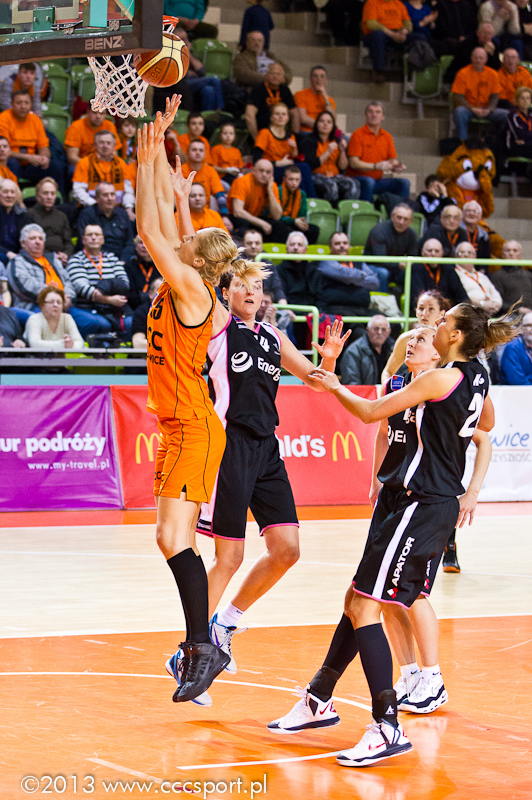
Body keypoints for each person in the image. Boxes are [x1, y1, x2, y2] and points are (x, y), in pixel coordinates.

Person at [269, 302, 518, 767]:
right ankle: (319, 697)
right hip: (415, 501)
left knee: (372, 604)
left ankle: (387, 725)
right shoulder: (476, 378)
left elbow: (369, 413)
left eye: (443, 323)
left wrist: (334, 384)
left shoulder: (440, 379)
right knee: (357, 598)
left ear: (456, 337)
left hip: (424, 504)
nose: (434, 326)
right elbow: (482, 424)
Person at [136, 97, 263, 703]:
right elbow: (161, 221)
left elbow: (148, 230)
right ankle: (199, 645)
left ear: (198, 261)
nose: (180, 240)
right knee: (169, 540)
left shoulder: (193, 291)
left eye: (189, 240)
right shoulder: (186, 277)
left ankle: (200, 646)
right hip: (178, 425)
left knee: (175, 539)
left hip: (193, 426)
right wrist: (156, 152)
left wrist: (146, 154)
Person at [198, 277, 350, 690]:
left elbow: (316, 381)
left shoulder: (273, 336)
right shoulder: (219, 325)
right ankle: (193, 647)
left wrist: (328, 360)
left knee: (287, 549)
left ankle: (224, 623)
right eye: (242, 285)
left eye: (258, 286)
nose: (252, 293)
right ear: (225, 293)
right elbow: (196, 281)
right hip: (229, 446)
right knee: (228, 558)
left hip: (266, 448)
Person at [373, 327, 492, 712]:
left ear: (439, 354)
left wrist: (472, 492)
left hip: (426, 500)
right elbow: (381, 431)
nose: (412, 343)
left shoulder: (447, 391)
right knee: (383, 593)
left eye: (421, 340)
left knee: (413, 593)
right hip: (393, 495)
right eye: (409, 339)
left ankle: (432, 677)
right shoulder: (396, 384)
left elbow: (485, 435)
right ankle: (410, 676)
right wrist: (375, 480)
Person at [66, 224, 132, 337]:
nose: (93, 237)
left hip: (114, 308)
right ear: (83, 240)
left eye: (97, 234)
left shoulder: (112, 258)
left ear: (102, 239)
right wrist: (109, 299)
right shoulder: (76, 260)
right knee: (102, 324)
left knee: (131, 322)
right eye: (89, 235)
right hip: (87, 307)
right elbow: (83, 288)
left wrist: (105, 291)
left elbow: (124, 283)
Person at [0, 90, 64, 193]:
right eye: (19, 103)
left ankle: (56, 198)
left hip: (31, 164)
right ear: (12, 104)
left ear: (31, 105)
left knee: (56, 166)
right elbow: (3, 150)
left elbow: (44, 147)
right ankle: (12, 197)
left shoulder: (36, 120)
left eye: (26, 103)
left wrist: (44, 158)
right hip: (11, 161)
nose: (23, 106)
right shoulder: (3, 119)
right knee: (12, 163)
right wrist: (28, 157)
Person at [346, 103, 410, 203]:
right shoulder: (357, 134)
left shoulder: (387, 136)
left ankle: (401, 211)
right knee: (369, 181)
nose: (374, 115)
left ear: (382, 116)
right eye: (370, 112)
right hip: (357, 180)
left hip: (377, 181)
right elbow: (353, 163)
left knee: (404, 183)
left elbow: (392, 160)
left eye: (377, 112)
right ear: (366, 115)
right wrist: (375, 166)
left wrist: (396, 166)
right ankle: (367, 210)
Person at [382, 289, 449, 381]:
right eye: (421, 308)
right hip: (415, 387)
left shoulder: (449, 340)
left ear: (442, 313)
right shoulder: (406, 339)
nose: (424, 313)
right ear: (416, 312)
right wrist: (387, 388)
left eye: (431, 309)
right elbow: (388, 371)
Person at [7, 223, 75, 312]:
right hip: (34, 306)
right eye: (32, 238)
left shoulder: (54, 260)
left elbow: (68, 282)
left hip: (63, 305)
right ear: (23, 243)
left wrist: (68, 297)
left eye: (40, 239)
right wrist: (53, 296)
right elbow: (24, 288)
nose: (37, 242)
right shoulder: (17, 262)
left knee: (91, 320)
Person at [253, 102, 315, 197]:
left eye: (283, 114)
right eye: (277, 114)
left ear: (288, 118)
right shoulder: (265, 133)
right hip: (269, 170)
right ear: (271, 117)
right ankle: (309, 199)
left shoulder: (290, 136)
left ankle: (309, 199)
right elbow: (256, 161)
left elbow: (294, 160)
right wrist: (279, 163)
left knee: (303, 167)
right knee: (299, 170)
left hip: (287, 169)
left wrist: (294, 149)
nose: (280, 117)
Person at [300, 110, 359, 206]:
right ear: (317, 124)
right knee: (331, 186)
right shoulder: (308, 140)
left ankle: (345, 210)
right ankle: (330, 211)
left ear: (333, 126)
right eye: (322, 121)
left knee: (354, 184)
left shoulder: (336, 141)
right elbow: (311, 164)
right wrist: (328, 152)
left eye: (329, 122)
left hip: (333, 175)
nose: (325, 124)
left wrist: (342, 151)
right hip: (316, 175)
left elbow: (343, 166)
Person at [72, 130, 135, 218]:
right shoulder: (84, 163)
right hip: (91, 208)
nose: (105, 146)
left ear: (114, 146)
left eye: (108, 143)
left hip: (118, 209)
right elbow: (78, 191)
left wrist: (128, 208)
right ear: (95, 145)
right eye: (101, 143)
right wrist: (97, 206)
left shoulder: (122, 164)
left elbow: (128, 191)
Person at [315, 230, 379, 315]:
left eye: (345, 243)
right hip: (336, 308)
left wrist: (353, 277)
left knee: (386, 320)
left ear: (349, 245)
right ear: (330, 247)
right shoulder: (326, 262)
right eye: (337, 243)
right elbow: (345, 275)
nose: (342, 246)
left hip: (360, 307)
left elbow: (375, 283)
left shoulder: (358, 261)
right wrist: (363, 275)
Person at [451, 48, 507, 141]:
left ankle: (498, 143)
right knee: (459, 112)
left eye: (481, 58)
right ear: (471, 58)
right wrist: (472, 108)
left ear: (486, 60)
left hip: (486, 109)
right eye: (476, 58)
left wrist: (490, 109)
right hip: (469, 109)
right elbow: (458, 97)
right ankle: (462, 143)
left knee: (506, 115)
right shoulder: (462, 73)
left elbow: (495, 96)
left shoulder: (493, 74)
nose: (478, 60)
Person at [227, 159, 289, 241]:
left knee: (281, 227)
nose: (264, 175)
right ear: (253, 171)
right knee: (244, 224)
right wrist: (262, 223)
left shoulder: (272, 186)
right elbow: (238, 212)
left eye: (268, 172)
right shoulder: (242, 182)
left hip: (255, 218)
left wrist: (270, 191)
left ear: (272, 175)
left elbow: (277, 216)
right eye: (261, 171)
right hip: (236, 218)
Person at [364, 202, 418, 289]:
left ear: (411, 221)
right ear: (392, 216)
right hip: (373, 266)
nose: (401, 222)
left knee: (416, 272)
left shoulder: (412, 234)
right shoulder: (379, 231)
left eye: (406, 219)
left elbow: (413, 256)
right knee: (383, 273)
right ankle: (381, 298)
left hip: (396, 268)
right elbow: (380, 259)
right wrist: (398, 264)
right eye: (399, 218)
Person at [77, 182, 135, 262]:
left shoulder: (123, 214)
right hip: (96, 259)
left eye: (112, 194)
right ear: (96, 198)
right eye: (105, 195)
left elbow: (129, 243)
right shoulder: (87, 215)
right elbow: (84, 241)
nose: (110, 198)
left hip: (122, 260)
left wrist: (123, 261)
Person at [182, 139, 231, 228]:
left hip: (206, 212)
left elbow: (220, 196)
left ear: (205, 154)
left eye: (201, 150)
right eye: (194, 150)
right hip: (184, 212)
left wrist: (225, 217)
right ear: (187, 153)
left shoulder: (210, 171)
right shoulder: (180, 171)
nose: (198, 153)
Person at [362, 0, 413, 83]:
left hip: (397, 32)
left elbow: (408, 24)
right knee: (378, 35)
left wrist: (403, 32)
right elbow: (371, 23)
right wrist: (392, 34)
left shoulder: (398, 3)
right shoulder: (372, 3)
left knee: (418, 37)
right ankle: (378, 71)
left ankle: (412, 70)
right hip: (378, 33)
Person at [245, 62, 299, 142]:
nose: (275, 76)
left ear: (283, 77)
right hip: (263, 131)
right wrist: (257, 139)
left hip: (282, 132)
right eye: (272, 73)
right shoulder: (258, 90)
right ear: (266, 75)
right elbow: (249, 115)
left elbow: (294, 113)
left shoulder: (285, 90)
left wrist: (295, 137)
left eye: (278, 74)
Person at [411, 238, 469, 308]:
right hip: (426, 310)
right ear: (422, 252)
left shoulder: (448, 268)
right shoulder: (416, 268)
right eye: (429, 251)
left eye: (437, 251)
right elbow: (417, 298)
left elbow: (462, 296)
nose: (433, 254)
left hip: (447, 311)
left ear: (442, 253)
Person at [28, 178, 73, 267]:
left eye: (52, 193)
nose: (49, 197)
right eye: (45, 193)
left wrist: (66, 254)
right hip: (39, 259)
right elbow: (29, 244)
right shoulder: (29, 214)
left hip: (63, 259)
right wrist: (51, 256)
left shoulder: (62, 216)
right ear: (37, 196)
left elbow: (68, 242)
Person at [24, 285, 84, 350]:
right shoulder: (34, 319)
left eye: (59, 302)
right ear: (42, 304)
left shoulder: (67, 318)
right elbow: (34, 344)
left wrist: (71, 346)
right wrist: (63, 345)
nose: (55, 305)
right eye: (51, 302)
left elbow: (79, 342)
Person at [341, 315, 394, 384]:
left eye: (384, 329)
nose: (379, 332)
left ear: (389, 332)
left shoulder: (394, 349)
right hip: (362, 391)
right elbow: (352, 383)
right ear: (368, 330)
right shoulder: (353, 352)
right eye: (376, 329)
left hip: (389, 390)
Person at [454, 241, 502, 313]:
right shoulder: (454, 275)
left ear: (475, 256)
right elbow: (463, 297)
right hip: (471, 312)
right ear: (456, 256)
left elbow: (495, 293)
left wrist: (495, 304)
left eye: (470, 253)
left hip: (491, 312)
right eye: (462, 252)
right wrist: (482, 304)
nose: (466, 255)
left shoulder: (481, 275)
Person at [241, 227, 286, 303]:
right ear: (243, 245)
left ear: (262, 245)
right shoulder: (235, 264)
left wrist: (284, 307)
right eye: (249, 243)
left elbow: (277, 289)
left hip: (264, 305)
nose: (253, 246)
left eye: (257, 243)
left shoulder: (269, 266)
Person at [277, 165, 319, 243]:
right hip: (282, 222)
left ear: (300, 180)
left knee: (314, 229)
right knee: (284, 228)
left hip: (295, 221)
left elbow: (302, 214)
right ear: (284, 179)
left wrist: (302, 222)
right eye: (291, 179)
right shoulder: (278, 191)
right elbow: (276, 216)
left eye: (297, 180)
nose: (294, 183)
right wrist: (293, 221)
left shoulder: (302, 194)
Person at [277, 230, 318, 307]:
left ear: (305, 250)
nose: (296, 248)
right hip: (287, 310)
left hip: (311, 311)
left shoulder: (313, 270)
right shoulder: (279, 270)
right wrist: (286, 310)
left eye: (300, 245)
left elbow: (319, 296)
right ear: (286, 249)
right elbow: (279, 294)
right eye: (292, 244)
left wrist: (315, 311)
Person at [490, 239, 532, 311]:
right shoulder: (497, 276)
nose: (511, 253)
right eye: (508, 250)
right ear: (503, 255)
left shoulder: (529, 275)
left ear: (520, 255)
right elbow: (498, 302)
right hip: (511, 315)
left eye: (515, 250)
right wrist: (517, 310)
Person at [294, 66, 337, 134]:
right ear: (310, 79)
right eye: (315, 76)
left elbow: (332, 120)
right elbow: (303, 118)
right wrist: (322, 126)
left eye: (322, 76)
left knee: (346, 139)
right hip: (307, 131)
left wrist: (326, 98)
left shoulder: (329, 99)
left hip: (325, 133)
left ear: (326, 80)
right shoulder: (300, 95)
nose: (318, 79)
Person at [125, 235, 162, 310]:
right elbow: (131, 296)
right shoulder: (128, 266)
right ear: (135, 246)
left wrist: (142, 296)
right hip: (134, 308)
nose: (144, 246)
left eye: (147, 242)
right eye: (140, 242)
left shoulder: (161, 266)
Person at [0, 178, 32, 264]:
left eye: (12, 192)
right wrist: (8, 253)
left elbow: (28, 241)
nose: (9, 195)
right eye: (5, 192)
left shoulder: (23, 215)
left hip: (18, 258)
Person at [500, 310, 532, 383]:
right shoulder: (512, 348)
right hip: (517, 389)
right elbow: (516, 380)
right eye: (529, 325)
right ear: (522, 328)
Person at [131, 276, 164, 349]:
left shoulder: (179, 311)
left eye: (167, 290)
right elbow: (137, 343)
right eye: (160, 289)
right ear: (150, 294)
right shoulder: (142, 312)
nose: (164, 293)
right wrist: (167, 346)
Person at [505, 86, 532, 158]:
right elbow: (519, 135)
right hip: (515, 146)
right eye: (522, 98)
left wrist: (526, 140)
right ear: (517, 100)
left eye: (528, 98)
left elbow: (525, 135)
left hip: (528, 143)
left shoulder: (531, 115)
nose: (525, 101)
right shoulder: (512, 115)